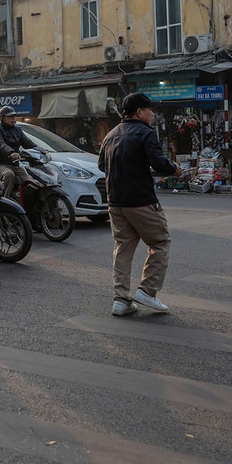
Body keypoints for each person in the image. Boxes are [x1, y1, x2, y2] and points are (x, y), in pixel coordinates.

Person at [98, 92, 181, 316]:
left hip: (115, 202)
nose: (153, 114)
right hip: (140, 201)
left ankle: (121, 300)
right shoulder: (145, 133)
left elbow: (101, 166)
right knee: (160, 242)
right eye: (150, 110)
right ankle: (147, 290)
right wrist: (174, 168)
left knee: (123, 248)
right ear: (139, 112)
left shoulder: (111, 134)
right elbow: (158, 163)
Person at [0, 106, 38, 198]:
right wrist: (11, 152)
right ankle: (4, 200)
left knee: (29, 182)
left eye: (14, 116)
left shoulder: (18, 130)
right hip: (0, 165)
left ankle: (28, 204)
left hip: (15, 164)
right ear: (2, 118)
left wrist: (40, 150)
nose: (13, 119)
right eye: (9, 116)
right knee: (9, 174)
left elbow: (28, 142)